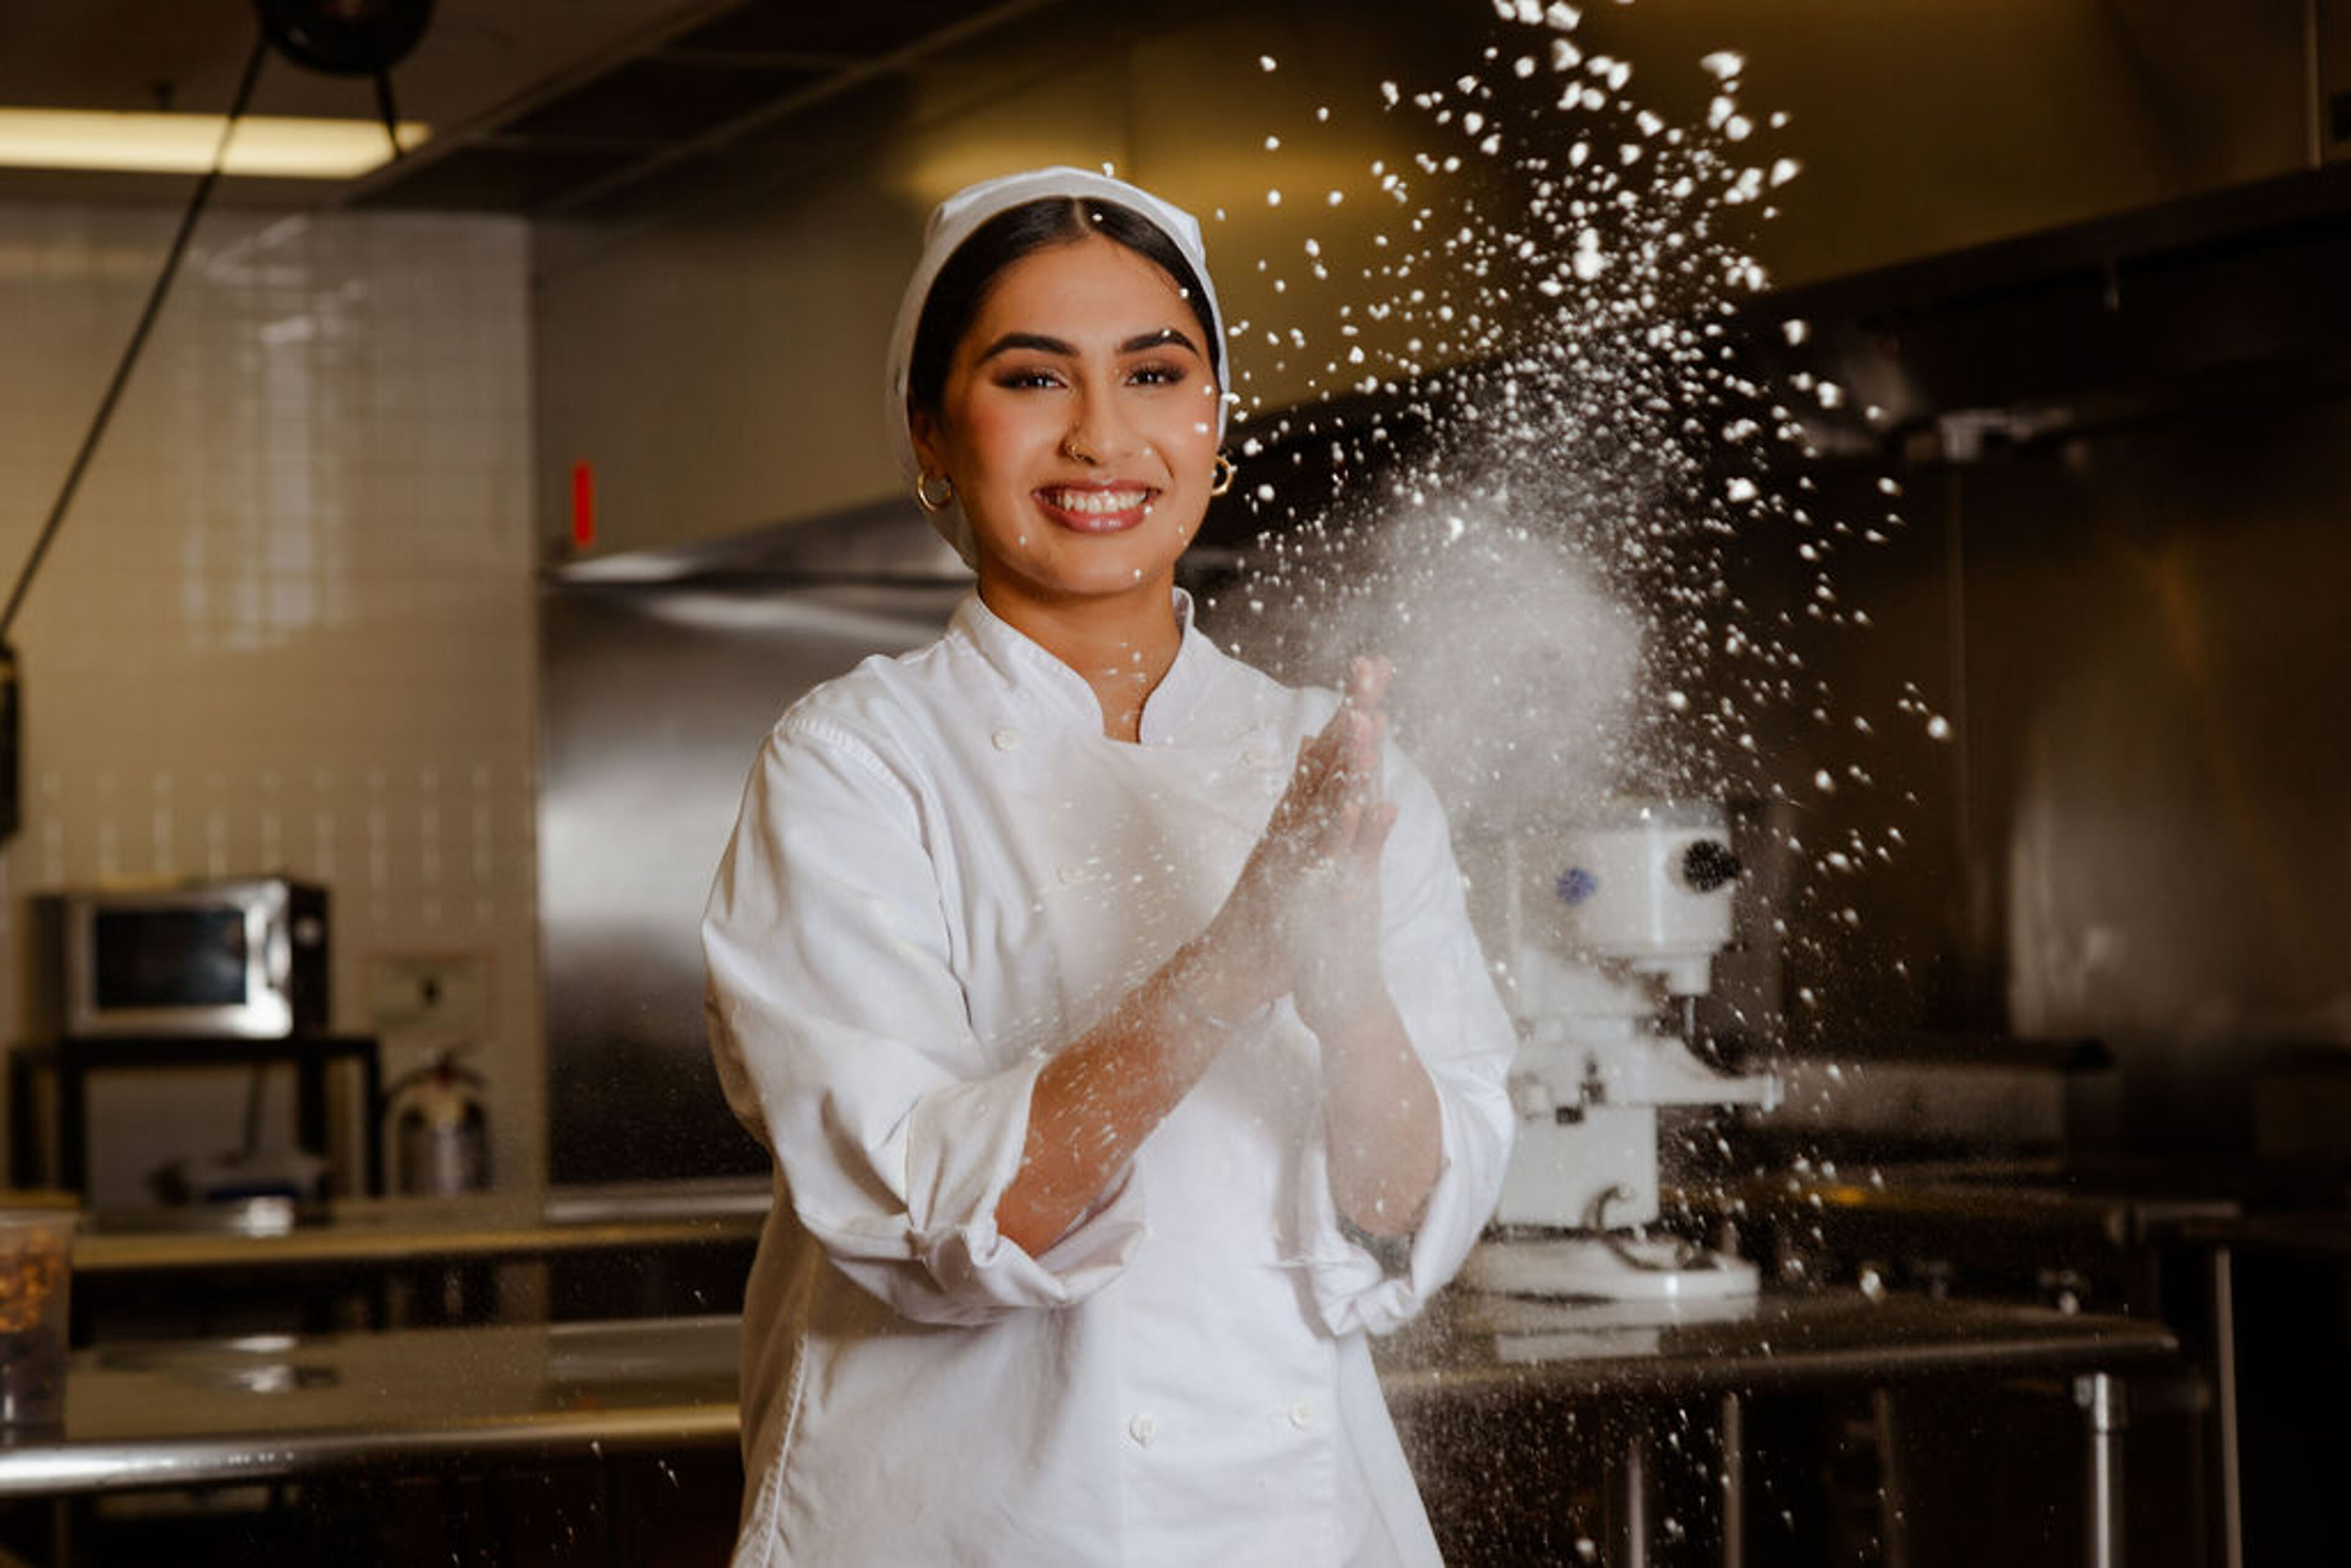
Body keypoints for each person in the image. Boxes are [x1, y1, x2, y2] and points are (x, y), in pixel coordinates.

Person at [703, 166, 1516, 1567]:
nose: (1102, 437)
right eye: (1032, 378)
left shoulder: (1336, 761)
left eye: (1155, 373)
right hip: (964, 1528)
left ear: (1212, 425)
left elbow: (1398, 1227)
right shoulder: (855, 765)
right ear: (931, 437)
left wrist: (1348, 994)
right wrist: (1241, 958)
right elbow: (943, 1227)